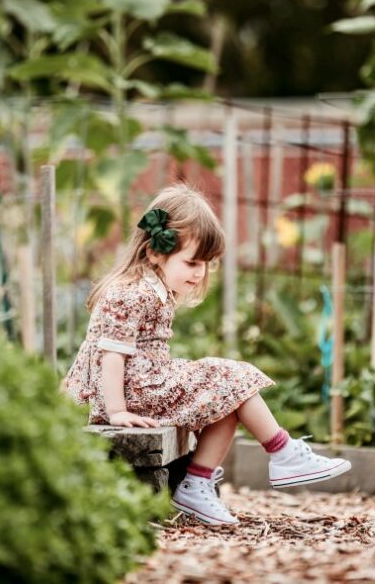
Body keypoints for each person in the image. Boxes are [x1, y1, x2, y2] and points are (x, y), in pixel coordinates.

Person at [61, 184, 351, 525]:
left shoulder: (151, 288)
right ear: (155, 252)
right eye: (192, 262)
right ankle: (282, 451)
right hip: (133, 393)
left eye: (206, 265)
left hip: (144, 385)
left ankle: (197, 483)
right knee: (229, 376)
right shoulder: (131, 293)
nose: (200, 273)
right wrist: (117, 411)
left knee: (226, 394)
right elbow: (109, 355)